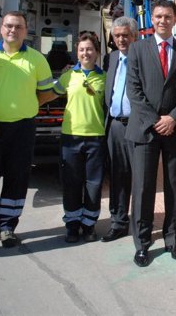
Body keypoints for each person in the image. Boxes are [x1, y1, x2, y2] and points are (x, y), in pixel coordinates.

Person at [126, 0, 176, 267]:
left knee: (175, 187)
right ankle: (142, 243)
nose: (162, 21)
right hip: (145, 129)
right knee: (143, 188)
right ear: (152, 19)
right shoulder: (137, 49)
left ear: (175, 19)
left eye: (168, 16)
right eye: (158, 16)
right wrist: (156, 120)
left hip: (174, 130)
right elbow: (133, 90)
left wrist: (173, 118)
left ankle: (173, 241)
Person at [0, 11, 55, 247]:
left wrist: (28, 105)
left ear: (26, 31)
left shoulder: (37, 59)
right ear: (1, 28)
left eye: (18, 27)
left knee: (17, 177)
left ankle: (7, 227)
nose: (13, 30)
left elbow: (47, 92)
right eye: (9, 26)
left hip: (23, 128)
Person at [52, 32, 106, 243]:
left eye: (90, 49)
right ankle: (72, 226)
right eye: (82, 49)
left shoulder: (104, 77)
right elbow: (49, 94)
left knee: (93, 184)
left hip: (96, 138)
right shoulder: (68, 76)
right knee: (72, 183)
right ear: (77, 53)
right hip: (71, 138)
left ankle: (89, 225)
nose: (86, 53)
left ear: (97, 52)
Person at [101, 17, 138, 243]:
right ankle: (118, 221)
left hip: (136, 126)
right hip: (114, 126)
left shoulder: (144, 58)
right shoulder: (111, 58)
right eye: (117, 36)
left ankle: (140, 222)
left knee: (140, 178)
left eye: (125, 35)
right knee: (117, 176)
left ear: (134, 36)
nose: (121, 39)